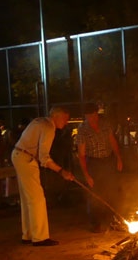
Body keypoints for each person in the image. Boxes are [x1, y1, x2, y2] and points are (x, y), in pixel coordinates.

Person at [11, 107, 74, 246]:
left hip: (19, 155)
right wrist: (61, 171)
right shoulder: (49, 127)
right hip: (26, 159)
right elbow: (44, 158)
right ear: (56, 116)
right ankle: (40, 237)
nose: (66, 122)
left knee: (27, 198)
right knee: (37, 199)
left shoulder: (39, 121)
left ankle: (28, 234)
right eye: (65, 118)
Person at [76, 103, 123, 231]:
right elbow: (81, 154)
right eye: (89, 116)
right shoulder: (83, 130)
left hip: (108, 161)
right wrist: (86, 174)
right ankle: (95, 223)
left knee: (112, 190)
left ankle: (114, 220)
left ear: (97, 114)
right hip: (93, 163)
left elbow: (112, 141)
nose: (92, 118)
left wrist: (118, 157)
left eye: (94, 115)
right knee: (95, 193)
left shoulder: (105, 124)